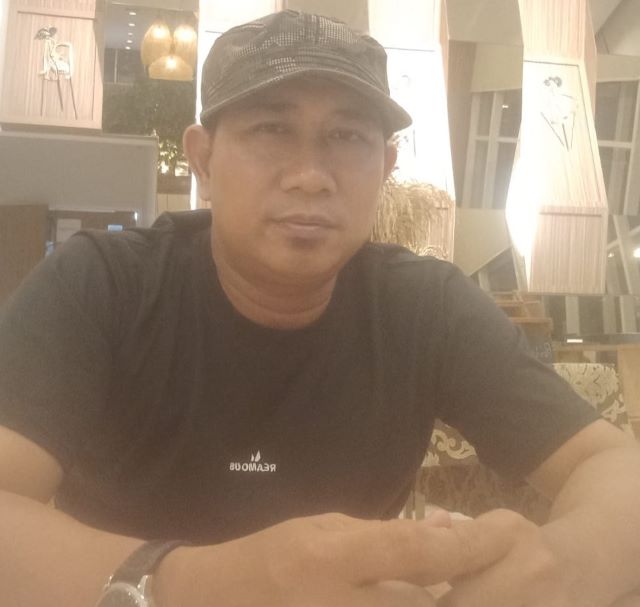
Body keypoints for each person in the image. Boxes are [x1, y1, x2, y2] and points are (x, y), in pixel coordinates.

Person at [0, 9, 639, 607]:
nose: (310, 175)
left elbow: (612, 465)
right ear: (203, 159)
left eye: (347, 136)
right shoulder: (102, 284)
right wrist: (204, 585)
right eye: (271, 129)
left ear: (385, 167)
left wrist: (562, 567)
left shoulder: (423, 306)